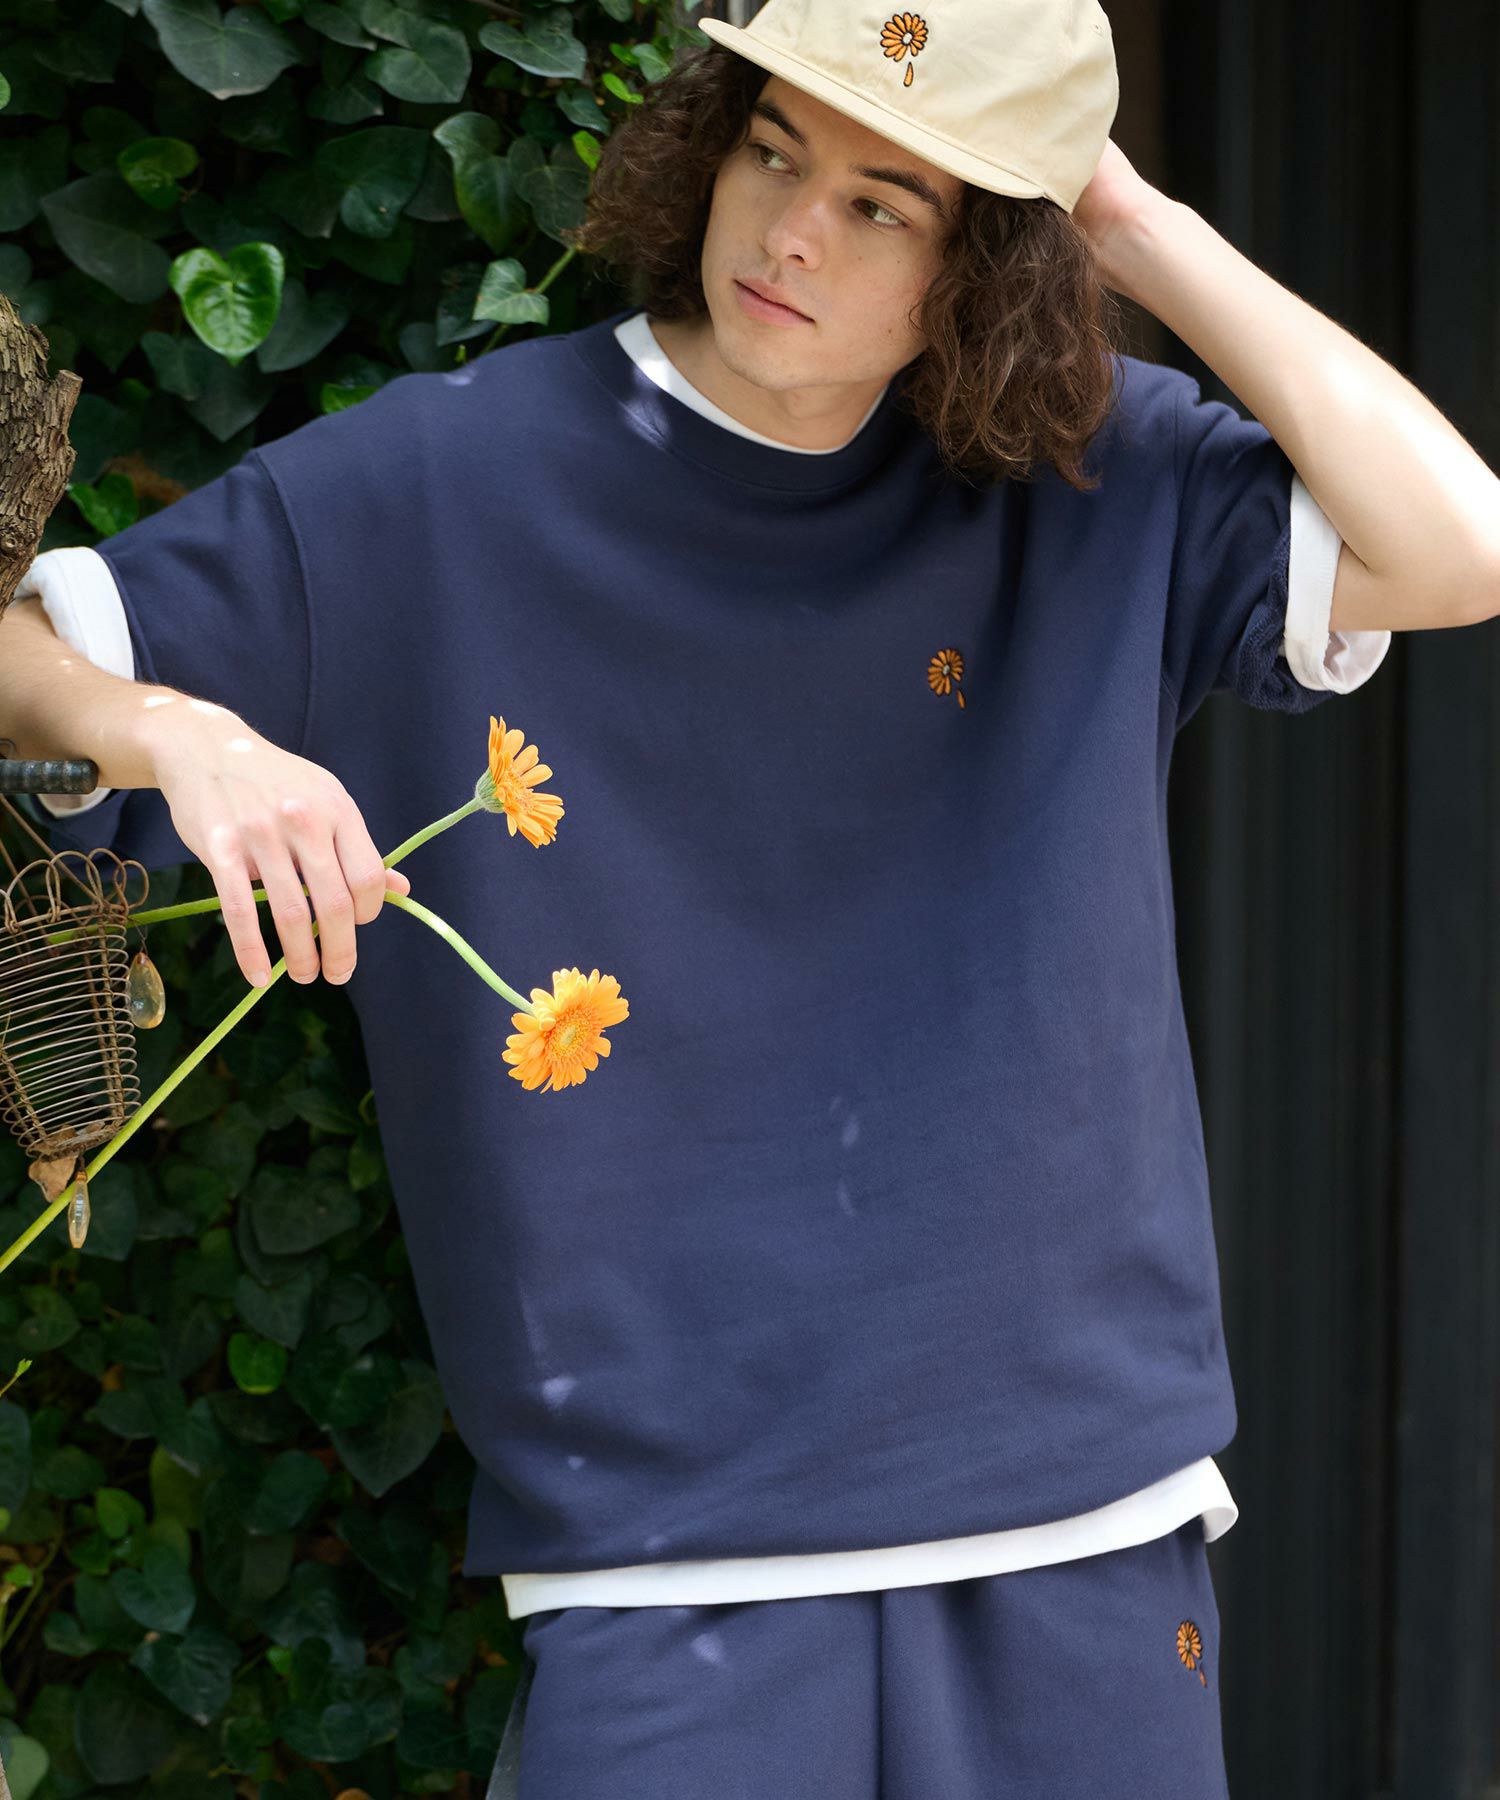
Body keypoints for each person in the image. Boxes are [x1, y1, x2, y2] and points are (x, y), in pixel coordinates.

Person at [6, 0, 1496, 1790]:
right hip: (661, 1558)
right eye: (774, 150)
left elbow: (1458, 545)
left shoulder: (1092, 476)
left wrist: (1130, 222)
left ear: (990, 264)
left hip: (1078, 1515)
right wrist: (170, 729)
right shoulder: (441, 479)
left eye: (882, 204)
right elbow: (18, 656)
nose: (790, 230)